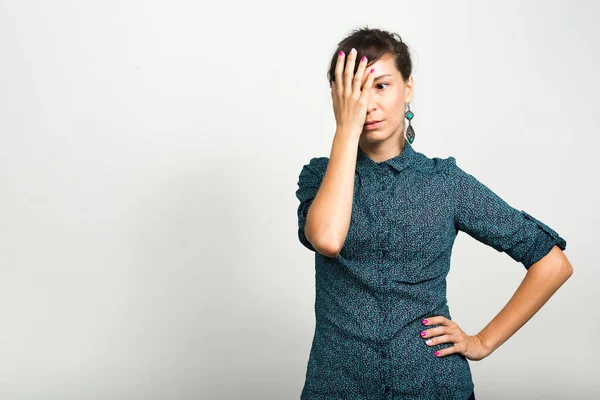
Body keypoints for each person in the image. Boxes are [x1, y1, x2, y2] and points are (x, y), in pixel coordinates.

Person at [294, 27, 572, 400]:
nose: (369, 104)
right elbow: (328, 239)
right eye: (355, 89)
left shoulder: (445, 182)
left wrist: (482, 342)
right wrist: (346, 129)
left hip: (433, 384)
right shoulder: (317, 177)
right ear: (338, 97)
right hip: (337, 387)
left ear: (408, 88)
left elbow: (552, 264)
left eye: (381, 86)